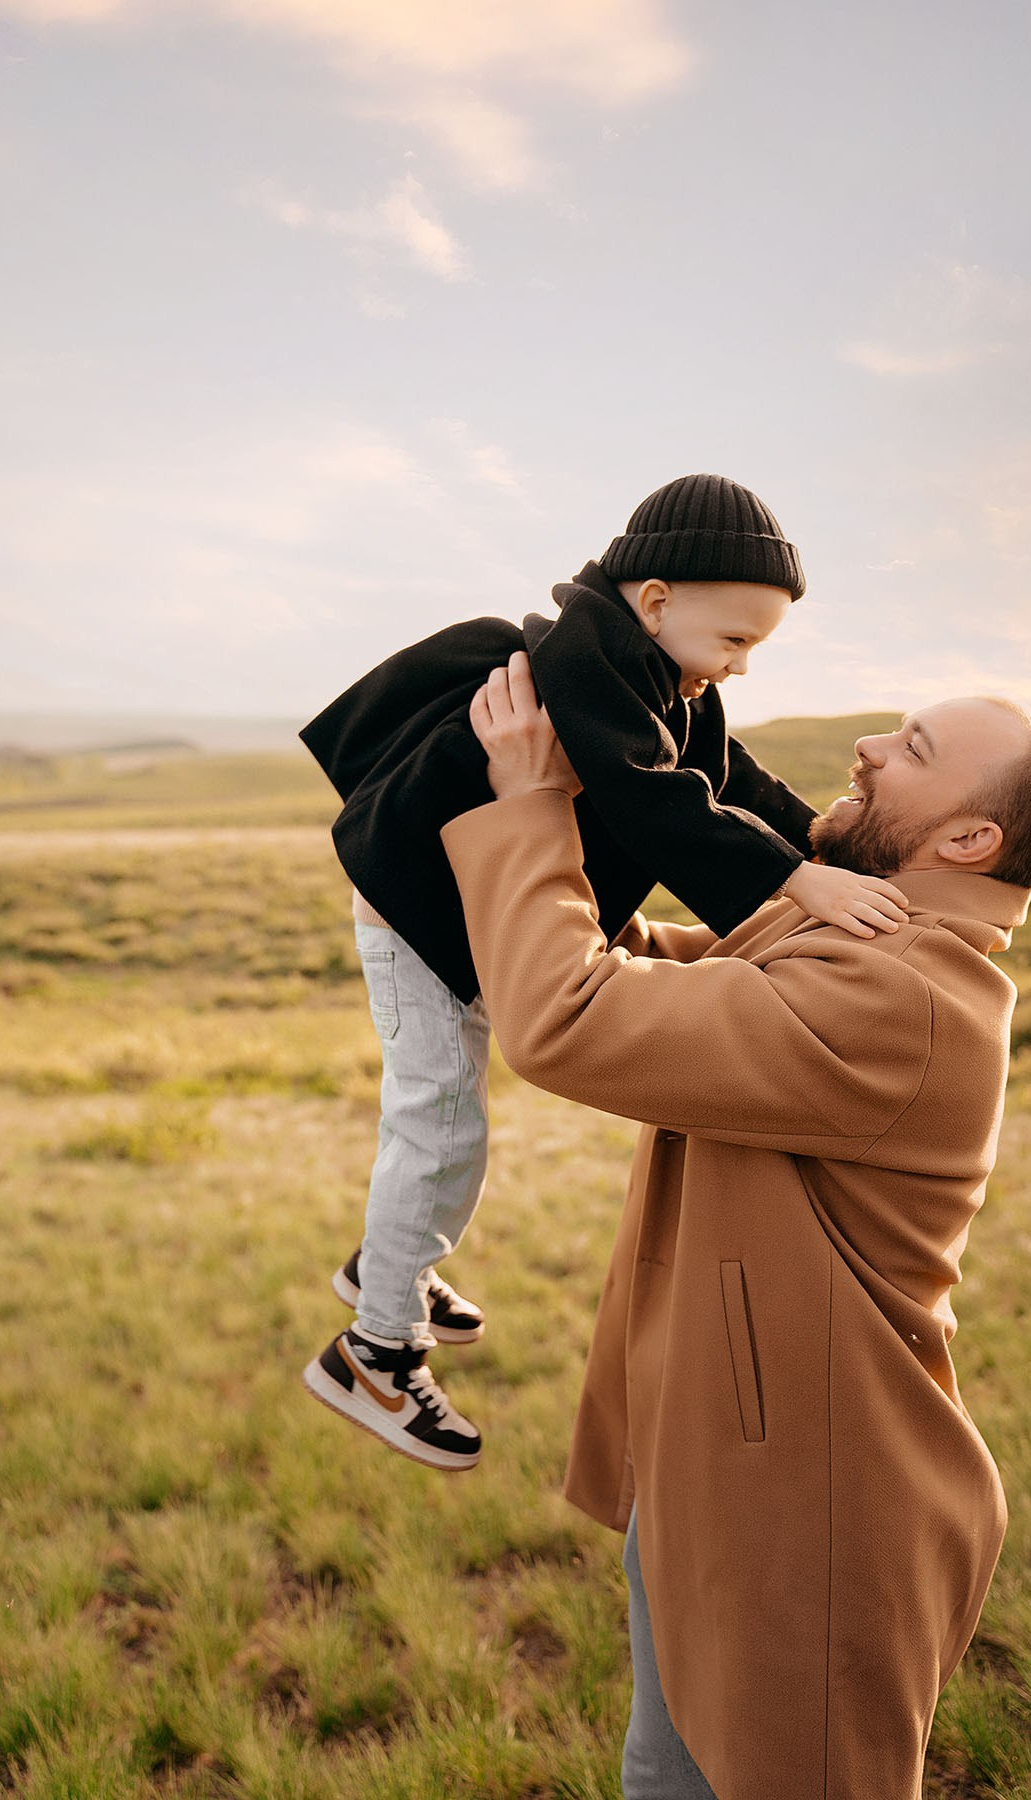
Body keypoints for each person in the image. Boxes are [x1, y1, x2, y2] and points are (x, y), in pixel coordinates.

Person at [444, 658, 1031, 1800]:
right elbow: (637, 967)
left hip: (811, 1514)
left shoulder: (905, 1000)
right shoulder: (867, 953)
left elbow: (569, 1018)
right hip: (724, 1470)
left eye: (913, 750)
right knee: (669, 1774)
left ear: (969, 843)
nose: (870, 752)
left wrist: (534, 805)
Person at [298, 475, 910, 1471]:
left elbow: (726, 777)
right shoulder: (584, 658)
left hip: (458, 904)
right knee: (439, 1117)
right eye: (736, 643)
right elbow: (653, 800)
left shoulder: (660, 677)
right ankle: (374, 1351)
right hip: (417, 906)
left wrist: (828, 848)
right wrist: (799, 883)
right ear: (658, 602)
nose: (740, 670)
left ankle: (391, 1262)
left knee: (450, 1124)